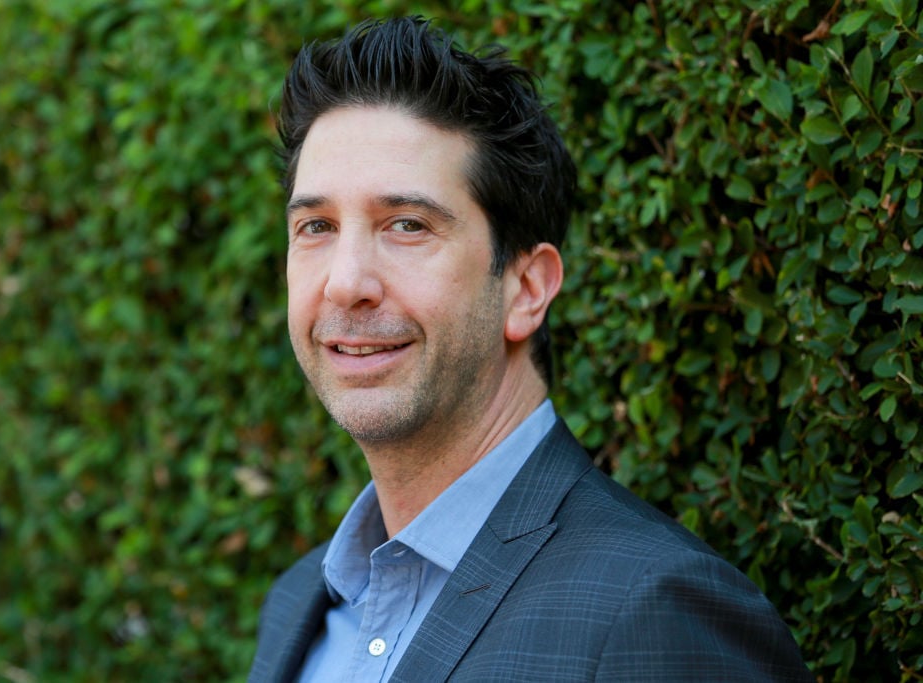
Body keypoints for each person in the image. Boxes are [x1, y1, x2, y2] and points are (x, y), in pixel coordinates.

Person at [251, 16, 813, 682]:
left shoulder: (653, 610)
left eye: (407, 225)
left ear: (526, 287)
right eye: (315, 225)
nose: (346, 281)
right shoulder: (297, 604)